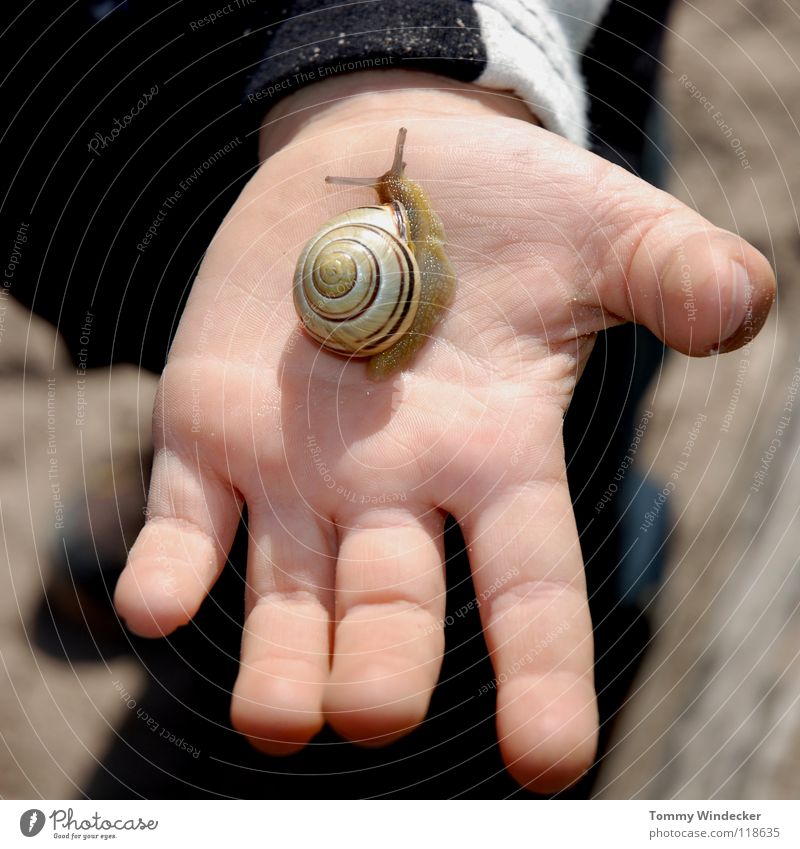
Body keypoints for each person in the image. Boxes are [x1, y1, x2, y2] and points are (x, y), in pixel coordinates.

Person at [4, 1, 775, 796]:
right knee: (211, 381)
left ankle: (596, 547)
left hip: (512, 86)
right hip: (104, 155)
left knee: (499, 500)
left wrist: (405, 58)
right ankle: (204, 483)